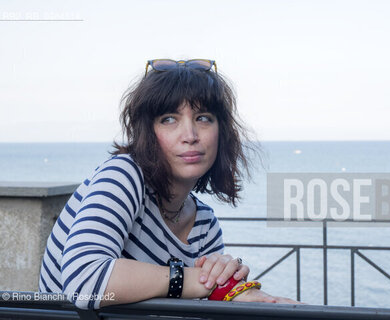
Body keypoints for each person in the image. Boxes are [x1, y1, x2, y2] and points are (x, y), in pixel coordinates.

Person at [38, 59, 300, 309]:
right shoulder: (124, 174)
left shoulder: (205, 225)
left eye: (203, 118)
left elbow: (201, 308)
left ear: (222, 132)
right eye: (169, 119)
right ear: (147, 133)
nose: (190, 136)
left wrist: (230, 286)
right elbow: (84, 284)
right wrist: (196, 281)